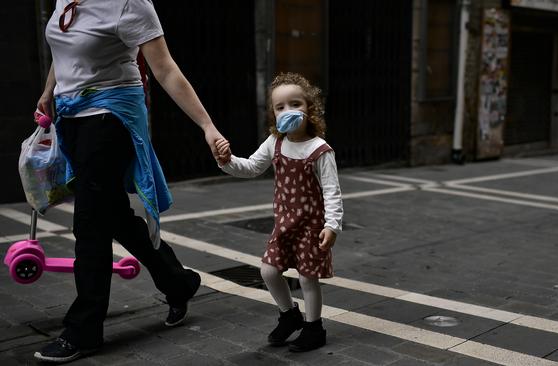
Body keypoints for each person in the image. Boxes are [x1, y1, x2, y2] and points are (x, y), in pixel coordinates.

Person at [33, 0, 229, 363]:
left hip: (111, 117)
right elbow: (62, 51)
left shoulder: (129, 4)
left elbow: (166, 70)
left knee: (90, 223)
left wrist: (207, 126)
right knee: (114, 216)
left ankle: (83, 331)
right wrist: (49, 92)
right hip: (71, 115)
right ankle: (179, 283)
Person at [215, 72, 343, 352]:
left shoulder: (319, 150)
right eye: (280, 106)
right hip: (284, 224)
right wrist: (227, 161)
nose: (288, 111)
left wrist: (332, 225)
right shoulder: (275, 142)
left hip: (311, 226)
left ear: (310, 108)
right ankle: (289, 316)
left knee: (308, 278)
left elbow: (332, 191)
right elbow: (250, 167)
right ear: (273, 113)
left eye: (295, 104)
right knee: (269, 271)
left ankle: (314, 329)